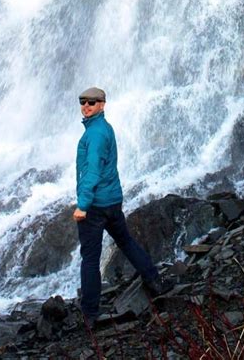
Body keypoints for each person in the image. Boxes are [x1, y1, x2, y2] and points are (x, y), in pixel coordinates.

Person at [73, 86, 163, 327]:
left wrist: (83, 205)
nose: (86, 106)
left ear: (102, 104)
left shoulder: (94, 134)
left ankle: (90, 314)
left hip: (95, 206)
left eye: (91, 102)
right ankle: (153, 279)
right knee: (125, 241)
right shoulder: (104, 129)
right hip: (112, 201)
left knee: (90, 258)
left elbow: (91, 171)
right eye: (82, 102)